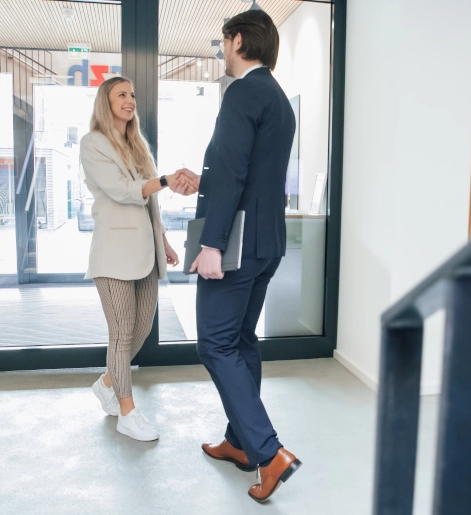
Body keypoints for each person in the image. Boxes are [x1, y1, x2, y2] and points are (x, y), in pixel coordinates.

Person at [173, 10, 301, 503]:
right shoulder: (278, 100)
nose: (221, 51)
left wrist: (210, 245)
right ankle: (239, 442)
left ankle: (268, 453)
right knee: (242, 341)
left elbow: (231, 170)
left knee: (215, 344)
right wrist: (204, 183)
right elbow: (250, 176)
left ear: (240, 40)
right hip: (267, 242)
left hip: (236, 245)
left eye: (222, 42)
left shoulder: (241, 92)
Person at [81, 77, 194, 442]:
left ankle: (106, 383)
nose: (130, 100)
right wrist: (164, 179)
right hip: (113, 254)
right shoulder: (93, 144)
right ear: (106, 102)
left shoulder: (137, 146)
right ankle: (126, 411)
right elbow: (123, 191)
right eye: (121, 95)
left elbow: (151, 204)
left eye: (132, 94)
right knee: (122, 333)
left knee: (141, 330)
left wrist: (164, 242)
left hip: (145, 253)